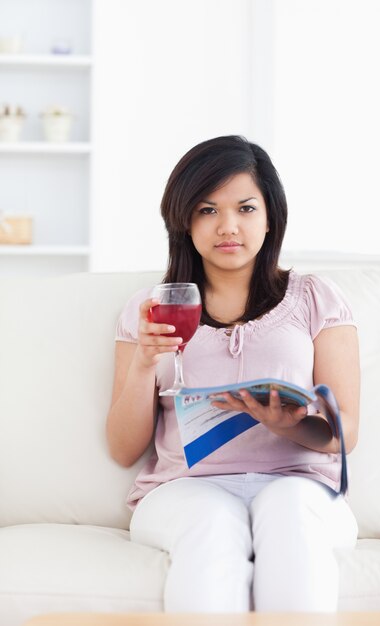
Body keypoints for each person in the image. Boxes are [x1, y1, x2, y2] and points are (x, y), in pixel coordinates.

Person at [106, 135, 360, 613]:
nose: (228, 227)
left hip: (301, 483)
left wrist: (288, 423)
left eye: (245, 209)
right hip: (184, 489)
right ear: (184, 220)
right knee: (211, 524)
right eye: (207, 210)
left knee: (288, 514)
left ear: (270, 218)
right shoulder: (151, 309)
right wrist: (143, 363)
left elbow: (346, 431)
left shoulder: (315, 298)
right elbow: (122, 450)